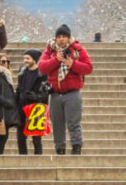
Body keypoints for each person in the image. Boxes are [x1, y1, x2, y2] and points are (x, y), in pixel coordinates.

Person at [39, 24, 93, 155]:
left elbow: (88, 67)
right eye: (59, 37)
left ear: (68, 38)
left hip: (72, 92)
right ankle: (60, 148)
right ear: (55, 38)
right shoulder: (50, 51)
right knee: (57, 124)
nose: (61, 39)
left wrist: (72, 64)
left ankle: (76, 147)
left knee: (74, 122)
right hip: (55, 93)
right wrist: (56, 60)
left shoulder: (78, 50)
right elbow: (42, 67)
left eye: (64, 36)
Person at [16, 49, 50, 156]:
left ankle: (38, 160)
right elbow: (18, 89)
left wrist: (36, 96)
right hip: (22, 105)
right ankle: (22, 158)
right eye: (24, 58)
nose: (25, 60)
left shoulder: (43, 73)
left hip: (36, 106)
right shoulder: (22, 71)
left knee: (36, 138)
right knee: (20, 137)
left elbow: (47, 92)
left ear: (34, 59)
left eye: (28, 58)